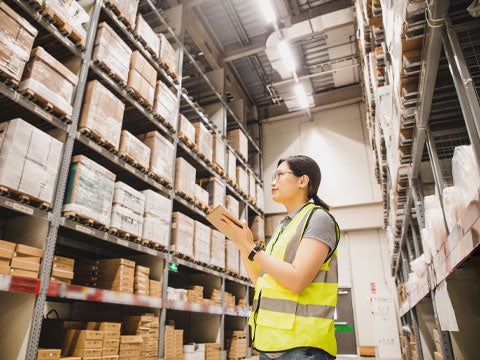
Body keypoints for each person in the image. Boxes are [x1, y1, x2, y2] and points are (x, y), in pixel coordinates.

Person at [221, 155, 340, 360]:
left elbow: (296, 281)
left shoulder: (318, 219)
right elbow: (261, 280)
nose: (273, 182)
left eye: (280, 175)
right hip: (271, 345)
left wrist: (252, 249)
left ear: (303, 181)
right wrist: (242, 245)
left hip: (303, 347)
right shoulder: (282, 228)